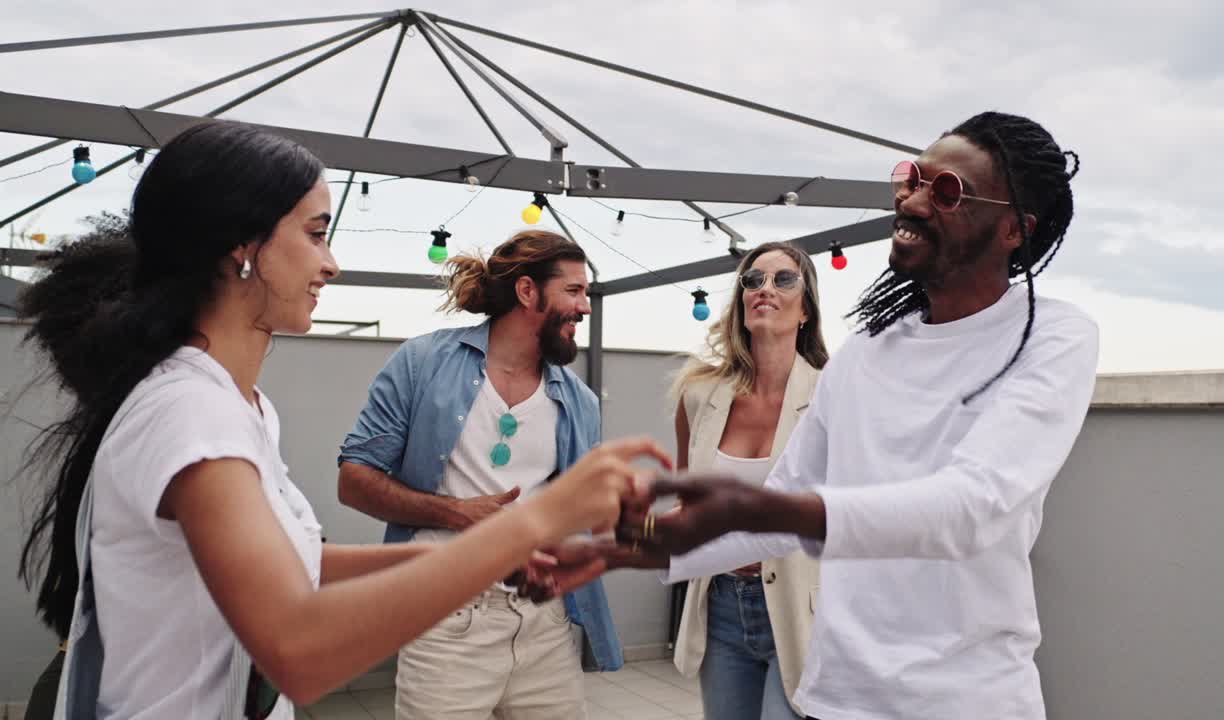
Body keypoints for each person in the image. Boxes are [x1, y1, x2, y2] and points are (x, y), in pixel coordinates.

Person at [15, 121, 664, 720]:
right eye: (316, 233)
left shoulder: (234, 404)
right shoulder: (191, 413)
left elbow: (300, 565)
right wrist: (532, 522)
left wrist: (506, 547)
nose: (331, 264)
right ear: (241, 246)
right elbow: (297, 652)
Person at [607, 111, 1098, 720]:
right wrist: (627, 551)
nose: (914, 200)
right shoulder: (867, 351)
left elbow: (974, 505)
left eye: (947, 191)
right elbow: (781, 512)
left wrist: (762, 505)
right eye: (912, 177)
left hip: (968, 703)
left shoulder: (1051, 336)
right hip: (836, 700)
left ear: (1013, 230)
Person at [337, 230, 624, 720]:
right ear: (527, 291)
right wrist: (454, 513)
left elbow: (577, 510)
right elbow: (353, 479)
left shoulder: (580, 401)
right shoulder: (423, 362)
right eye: (574, 291)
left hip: (545, 623)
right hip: (446, 618)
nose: (586, 307)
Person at [669, 241, 826, 720]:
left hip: (805, 611)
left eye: (783, 280)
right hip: (721, 609)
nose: (765, 289)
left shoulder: (832, 395)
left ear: (805, 309)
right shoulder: (699, 395)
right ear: (741, 301)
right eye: (753, 280)